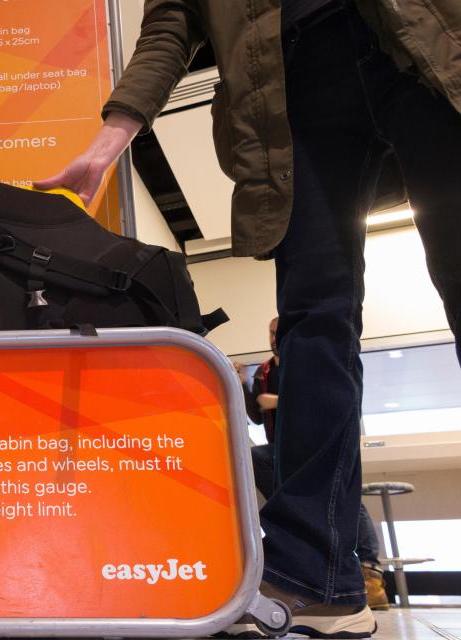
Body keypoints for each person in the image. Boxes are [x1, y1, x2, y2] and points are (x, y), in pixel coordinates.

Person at [36, 2, 459, 636]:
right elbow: (172, 20)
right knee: (312, 323)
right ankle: (315, 579)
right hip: (292, 83)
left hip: (423, 37)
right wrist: (115, 131)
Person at [235, 317, 389, 611]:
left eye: (277, 331)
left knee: (339, 490)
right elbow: (256, 415)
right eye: (270, 332)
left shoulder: (307, 361)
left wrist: (279, 401)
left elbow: (325, 397)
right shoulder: (265, 371)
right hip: (284, 448)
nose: (273, 337)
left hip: (319, 441)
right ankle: (294, 514)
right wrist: (242, 384)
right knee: (257, 459)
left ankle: (371, 570)